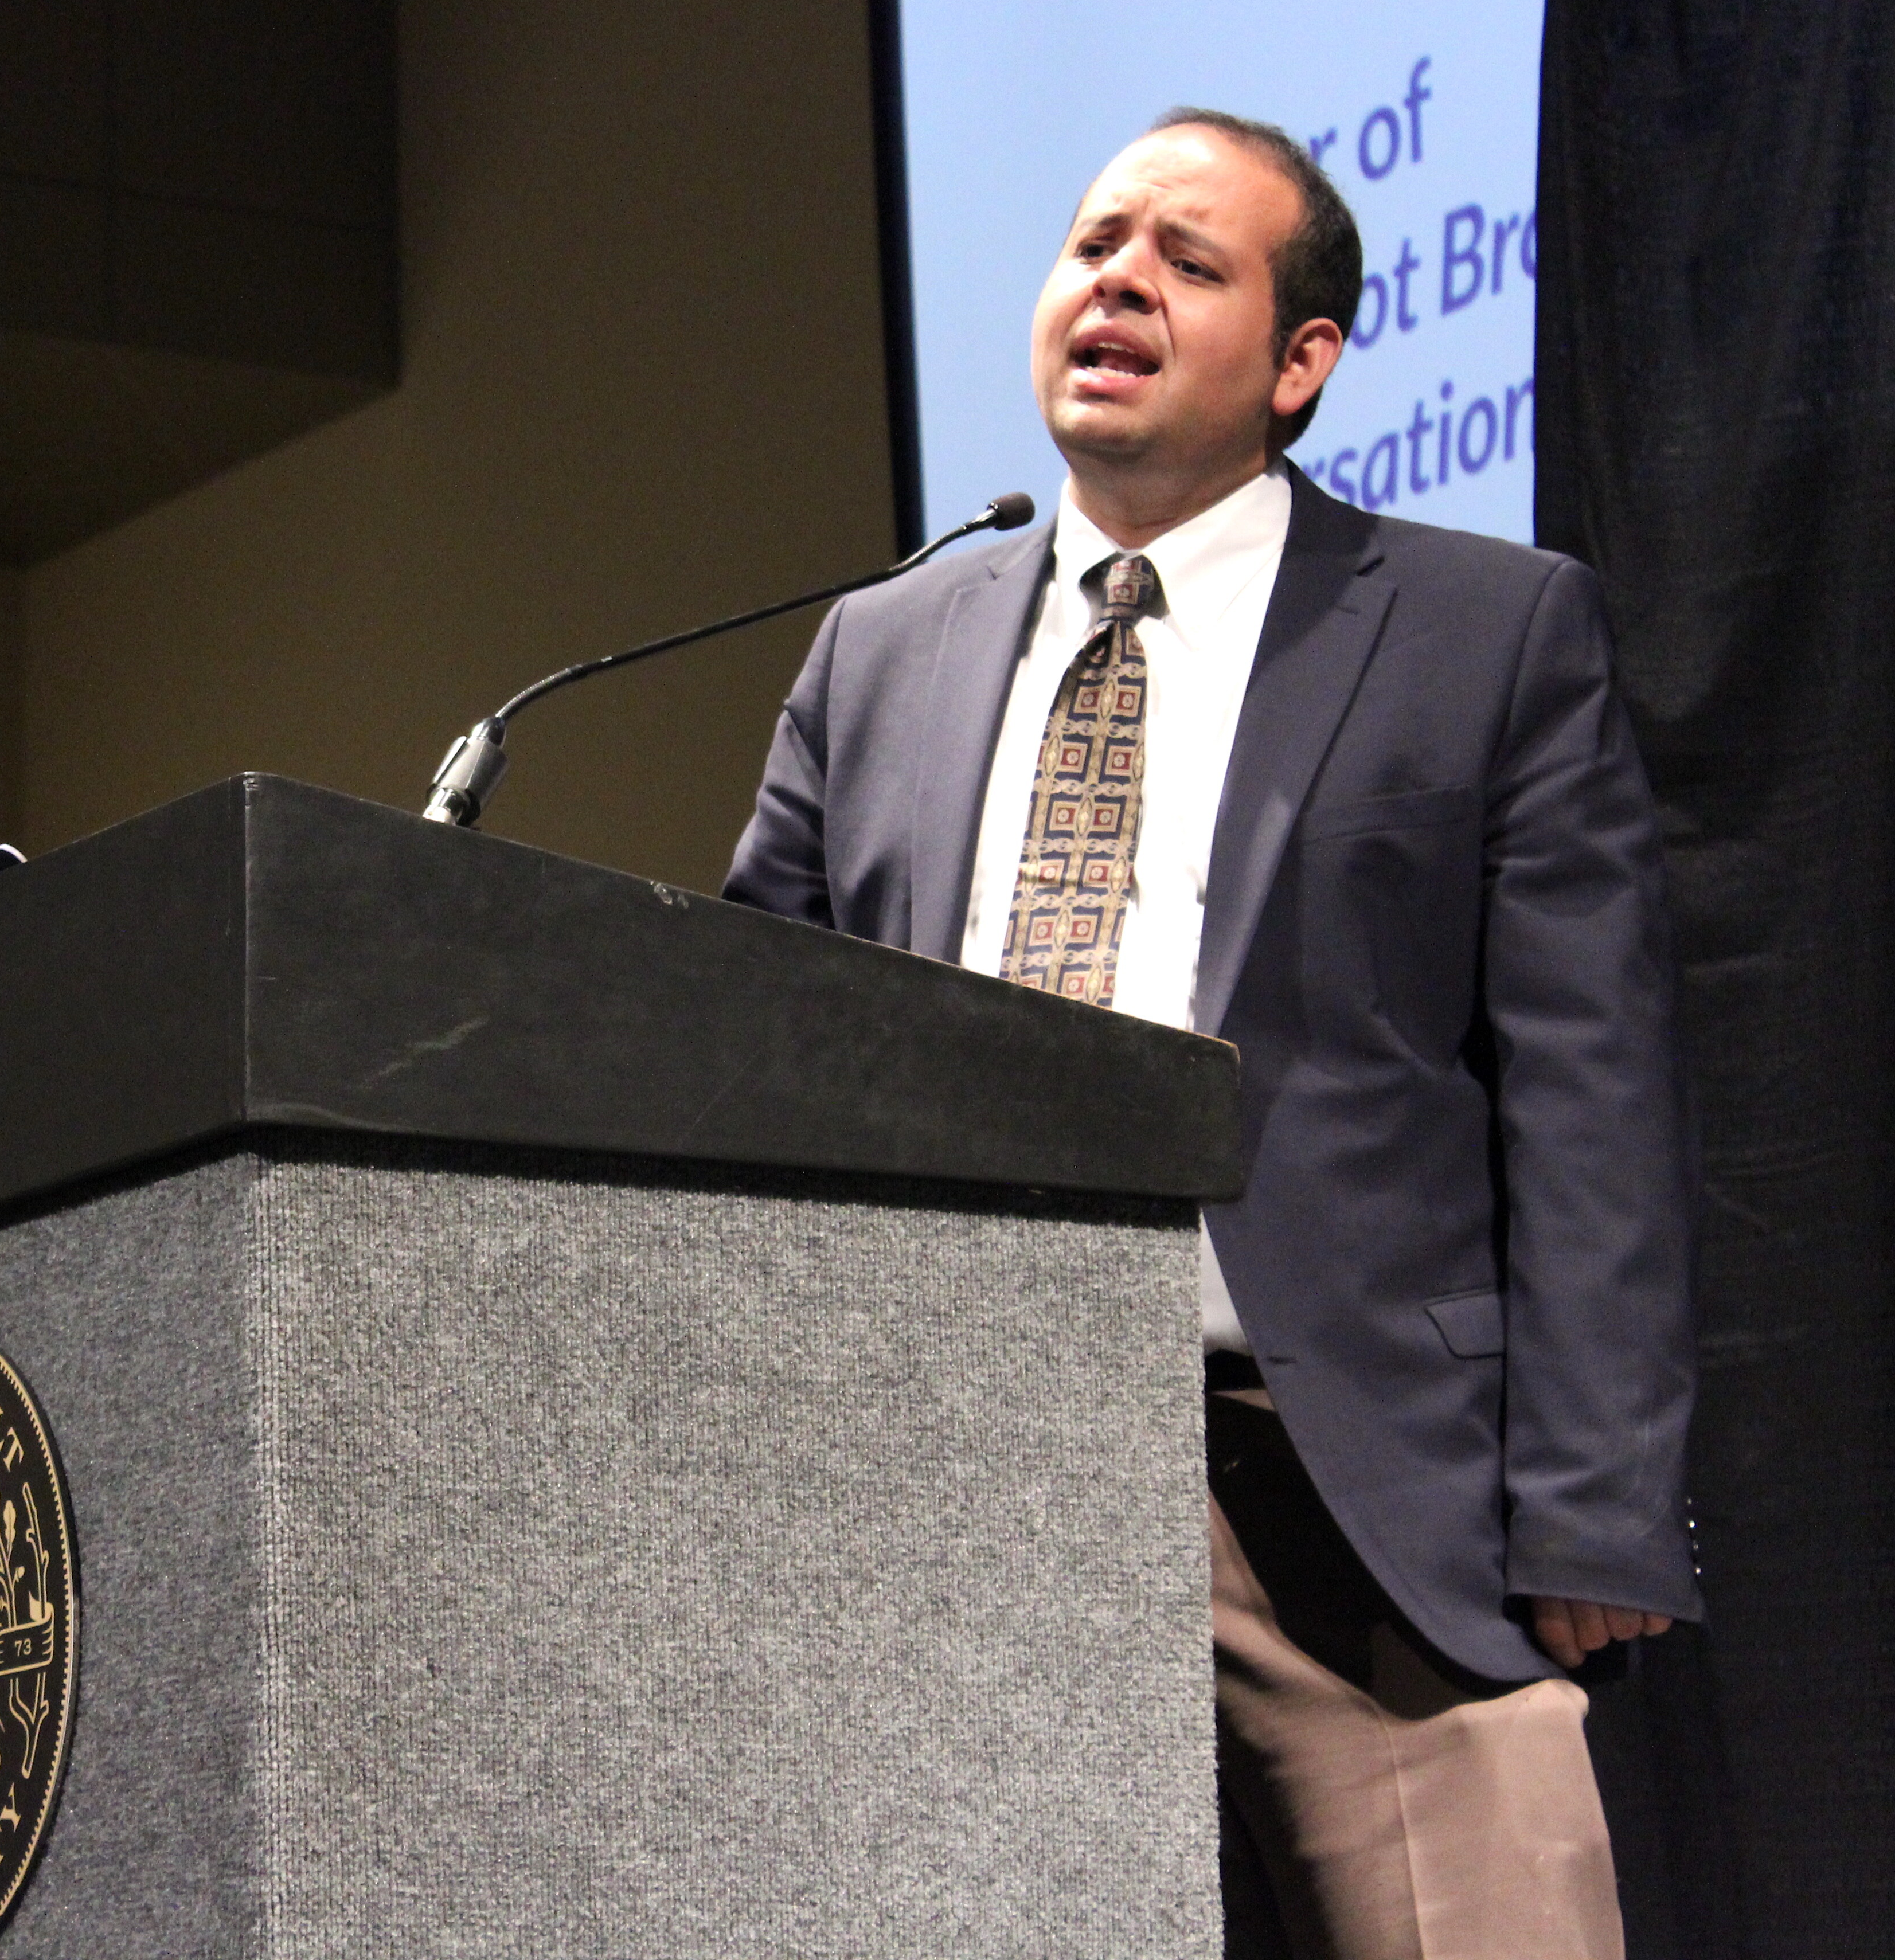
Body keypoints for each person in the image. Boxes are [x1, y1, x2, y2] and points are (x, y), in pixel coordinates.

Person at [724, 110, 1700, 1958]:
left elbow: (1593, 1099)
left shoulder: (1486, 629)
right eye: (1097, 243)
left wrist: (1597, 1505)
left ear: (1301, 362)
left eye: (1188, 261)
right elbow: (752, 1037)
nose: (1120, 282)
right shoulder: (879, 648)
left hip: (1344, 1488)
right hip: (939, 1472)